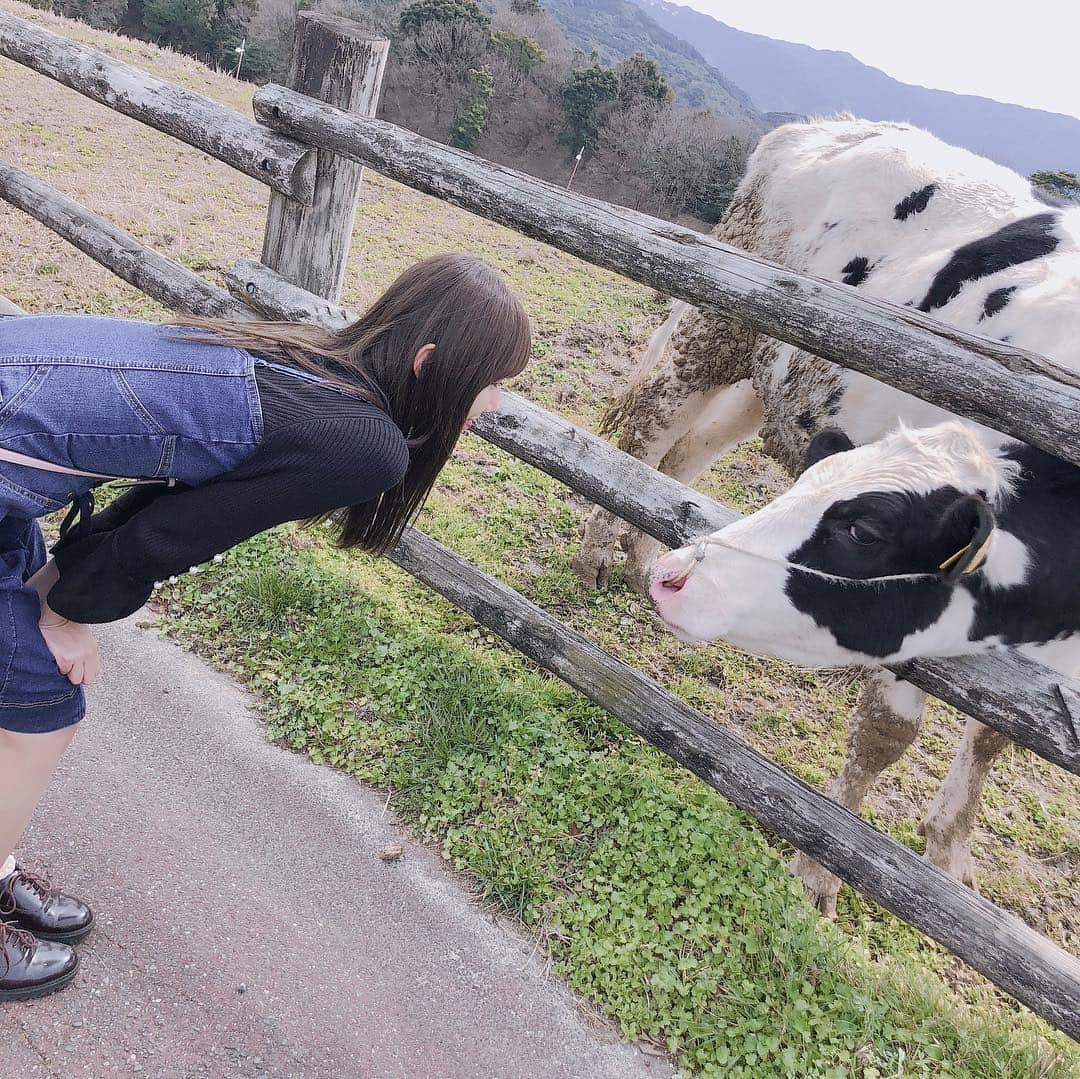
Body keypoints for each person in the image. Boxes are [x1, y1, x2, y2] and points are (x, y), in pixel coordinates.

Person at [0, 253, 532, 1000]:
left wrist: (56, 594)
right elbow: (166, 536)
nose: (498, 403)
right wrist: (62, 616)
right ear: (430, 364)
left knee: (20, 645)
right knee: (39, 706)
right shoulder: (361, 441)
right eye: (493, 381)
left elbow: (158, 504)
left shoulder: (305, 360)